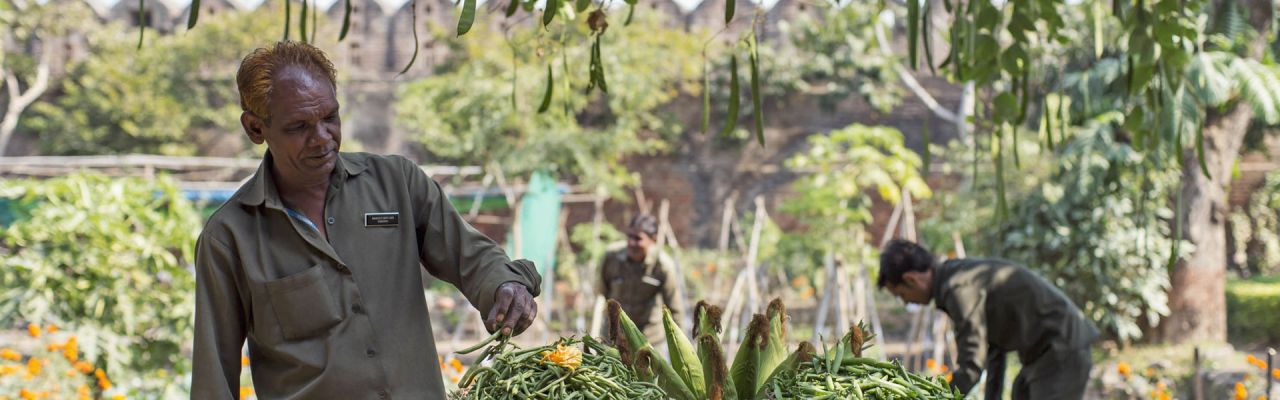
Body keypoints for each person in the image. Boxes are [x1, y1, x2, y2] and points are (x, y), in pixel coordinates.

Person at [191, 41, 541, 399]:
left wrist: (504, 285)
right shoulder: (229, 237)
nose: (322, 138)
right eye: (298, 127)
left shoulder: (398, 184)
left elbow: (471, 256)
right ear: (254, 128)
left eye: (330, 117)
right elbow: (212, 378)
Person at [877, 239, 1099, 400]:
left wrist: (934, 396)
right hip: (1042, 353)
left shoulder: (958, 288)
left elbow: (972, 364)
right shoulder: (954, 279)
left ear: (912, 280)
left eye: (900, 295)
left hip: (1061, 348)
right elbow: (993, 349)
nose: (906, 302)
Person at [594, 214, 685, 345]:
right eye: (629, 236)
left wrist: (681, 345)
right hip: (613, 336)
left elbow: (675, 309)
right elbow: (602, 290)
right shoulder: (611, 257)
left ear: (653, 240)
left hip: (647, 340)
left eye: (638, 238)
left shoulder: (662, 266)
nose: (631, 243)